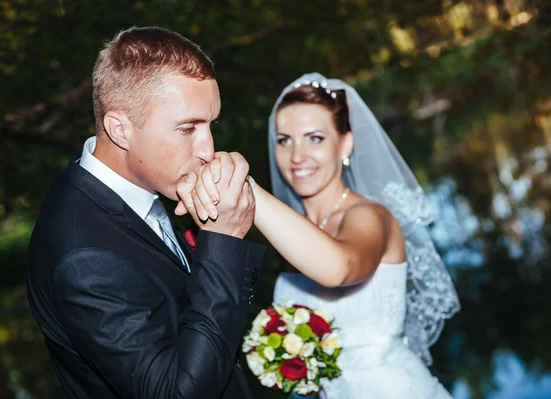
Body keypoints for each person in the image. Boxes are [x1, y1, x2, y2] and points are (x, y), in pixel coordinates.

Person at [177, 73, 460, 398]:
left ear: (346, 143)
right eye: (284, 140)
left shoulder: (370, 216)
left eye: (315, 138)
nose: (297, 156)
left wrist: (245, 190)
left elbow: (339, 268)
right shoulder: (293, 234)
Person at [26, 27, 264, 399]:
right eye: (188, 128)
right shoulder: (85, 258)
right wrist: (224, 241)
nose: (208, 149)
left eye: (210, 125)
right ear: (120, 129)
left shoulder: (139, 183)